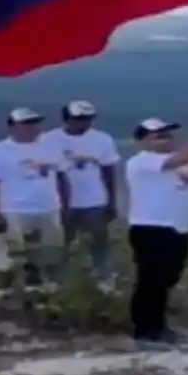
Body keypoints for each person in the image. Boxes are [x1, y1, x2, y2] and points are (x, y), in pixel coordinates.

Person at [125, 118, 188, 349]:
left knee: (169, 278)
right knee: (151, 280)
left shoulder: (180, 163)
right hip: (151, 227)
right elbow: (182, 158)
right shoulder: (142, 161)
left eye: (167, 134)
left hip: (179, 227)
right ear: (142, 140)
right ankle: (145, 330)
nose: (165, 139)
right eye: (158, 135)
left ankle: (159, 324)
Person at [0, 108, 69, 299]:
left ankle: (35, 289)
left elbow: (62, 177)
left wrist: (64, 205)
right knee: (7, 255)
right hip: (13, 209)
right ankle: (5, 291)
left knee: (44, 252)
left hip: (47, 208)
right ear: (12, 126)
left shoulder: (50, 148)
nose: (31, 127)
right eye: (26, 123)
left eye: (34, 123)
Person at [41, 100, 121, 289]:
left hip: (94, 200)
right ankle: (54, 280)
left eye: (88, 118)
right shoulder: (48, 139)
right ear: (66, 119)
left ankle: (103, 279)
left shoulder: (102, 139)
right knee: (60, 243)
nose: (84, 123)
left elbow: (109, 170)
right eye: (79, 119)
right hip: (58, 202)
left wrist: (111, 201)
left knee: (98, 241)